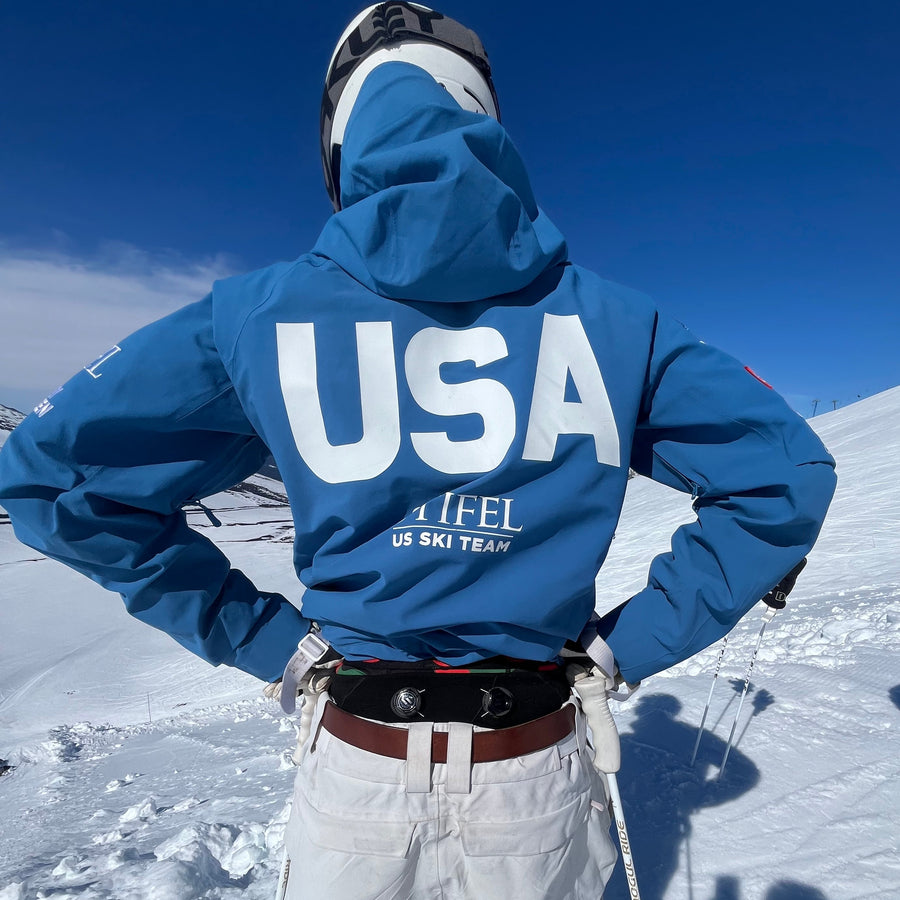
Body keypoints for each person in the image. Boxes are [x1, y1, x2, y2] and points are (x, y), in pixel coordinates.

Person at [0, 4, 836, 899]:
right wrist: (625, 646)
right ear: (488, 121)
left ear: (339, 142)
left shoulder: (254, 316)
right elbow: (782, 475)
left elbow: (54, 479)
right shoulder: (618, 321)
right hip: (538, 768)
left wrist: (263, 640)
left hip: (356, 770)